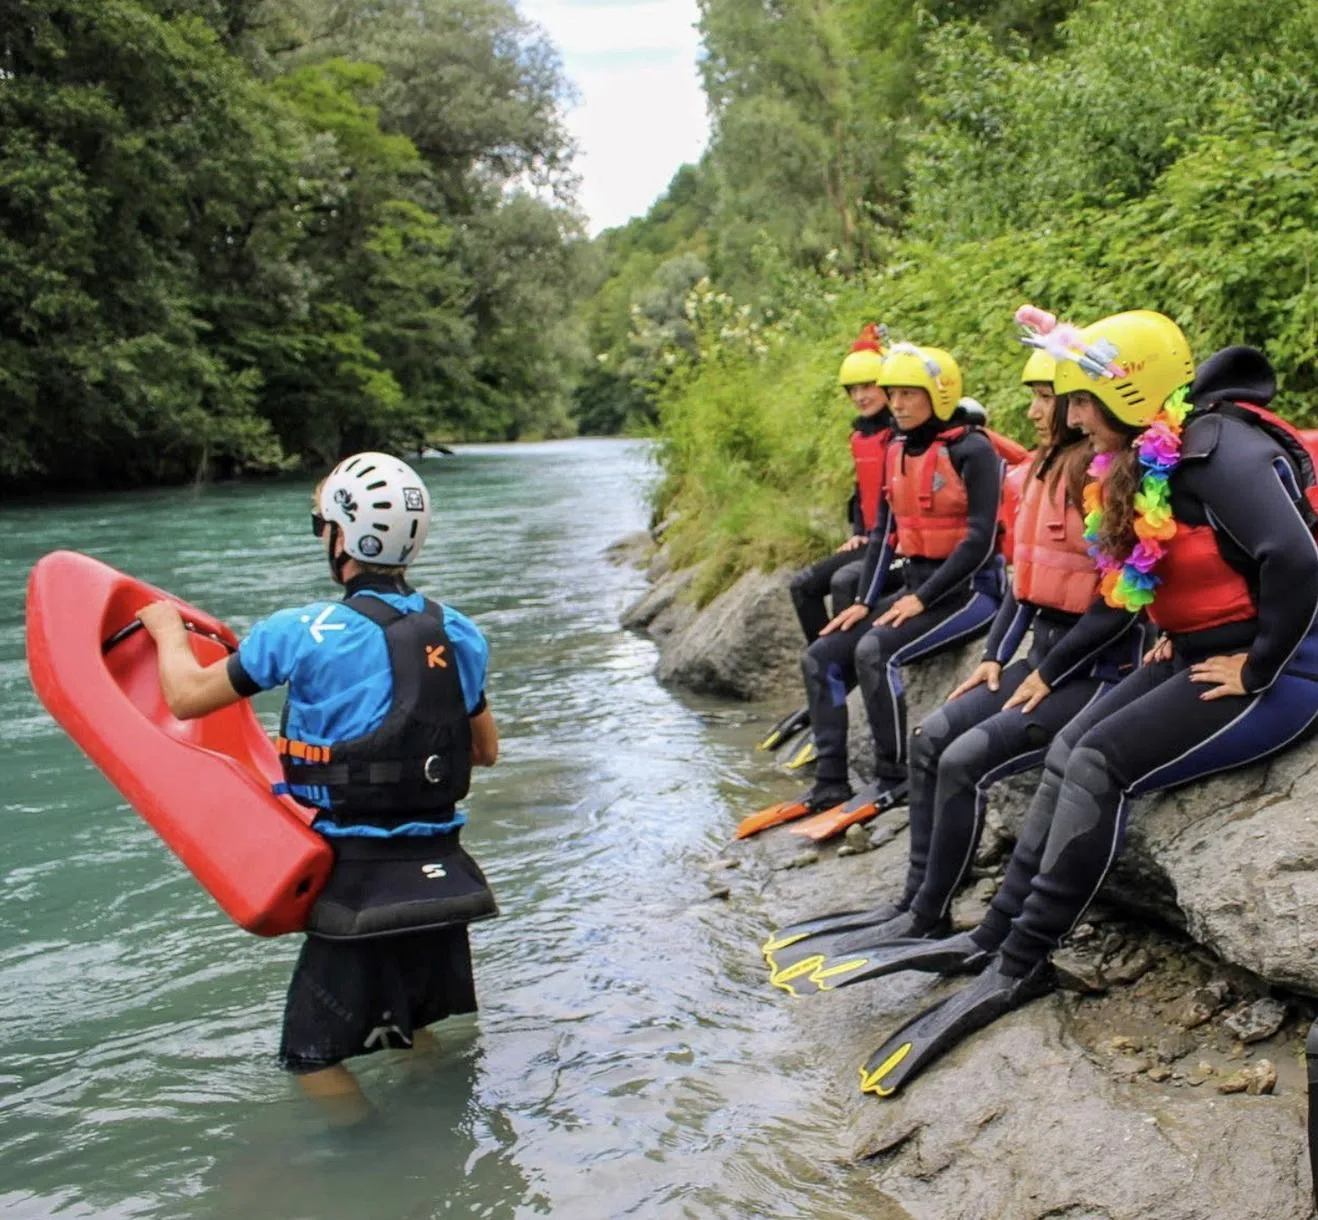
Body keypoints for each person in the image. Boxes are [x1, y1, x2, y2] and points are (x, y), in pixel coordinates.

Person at [851, 316, 1318, 1098]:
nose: (1068, 417)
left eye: (1081, 401)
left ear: (1126, 391)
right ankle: (996, 933)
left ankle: (1023, 960)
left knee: (1102, 763)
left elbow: (1298, 557)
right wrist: (1177, 625)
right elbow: (1169, 566)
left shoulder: (1223, 449)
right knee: (1070, 745)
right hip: (1203, 649)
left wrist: (1260, 662)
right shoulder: (1149, 454)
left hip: (1287, 668)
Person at [764, 337, 1144, 988]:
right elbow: (1030, 582)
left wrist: (1047, 672)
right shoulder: (1046, 471)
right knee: (933, 738)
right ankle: (921, 909)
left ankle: (960, 922)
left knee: (966, 758)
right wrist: (997, 656)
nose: (1033, 411)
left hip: (1096, 671)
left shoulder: (1115, 476)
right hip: (1040, 656)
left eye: (1047, 398)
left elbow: (1128, 601)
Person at [136, 452, 498, 1112]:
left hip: (357, 882)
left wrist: (164, 628)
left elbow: (186, 698)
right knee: (413, 1028)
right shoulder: (462, 633)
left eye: (320, 525)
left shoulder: (298, 631)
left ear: (343, 538)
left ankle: (381, 1174)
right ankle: (445, 1146)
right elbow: (487, 750)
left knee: (310, 1057)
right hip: (445, 875)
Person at [760, 325, 901, 757]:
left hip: (897, 547)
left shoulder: (900, 434)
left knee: (845, 584)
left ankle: (845, 678)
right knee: (802, 585)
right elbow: (862, 493)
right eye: (854, 389)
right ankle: (825, 672)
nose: (861, 396)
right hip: (871, 539)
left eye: (869, 386)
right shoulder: (859, 435)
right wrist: (858, 530)